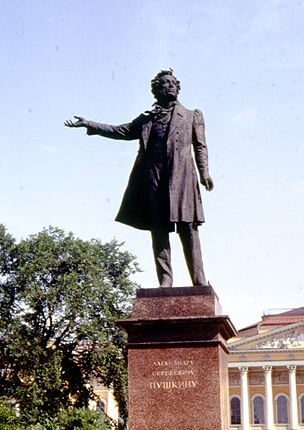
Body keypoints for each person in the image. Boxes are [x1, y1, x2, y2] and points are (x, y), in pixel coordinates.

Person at [65, 69, 214, 288]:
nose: (170, 85)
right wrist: (90, 124)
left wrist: (205, 173)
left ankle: (199, 280)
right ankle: (165, 280)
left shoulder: (192, 115)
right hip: (154, 178)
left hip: (182, 179)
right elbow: (120, 131)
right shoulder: (146, 119)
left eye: (173, 82)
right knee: (158, 229)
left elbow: (200, 146)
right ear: (156, 89)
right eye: (164, 83)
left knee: (188, 228)